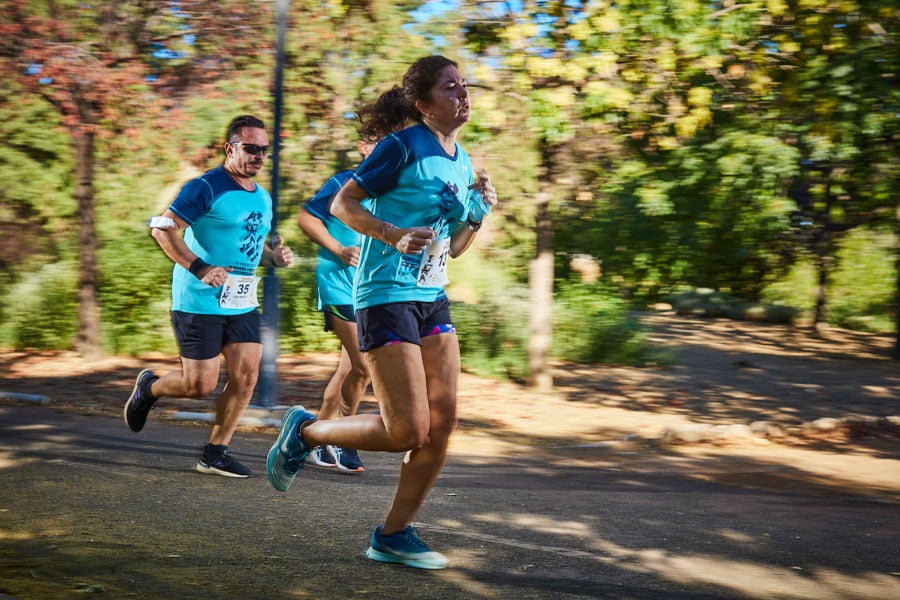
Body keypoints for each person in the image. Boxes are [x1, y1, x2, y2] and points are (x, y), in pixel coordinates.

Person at [267, 55, 497, 570]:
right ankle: (305, 431)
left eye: (464, 86)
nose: (463, 95)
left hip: (431, 295)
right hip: (383, 296)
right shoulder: (402, 145)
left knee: (443, 424)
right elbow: (342, 205)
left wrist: (478, 213)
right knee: (406, 431)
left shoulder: (460, 159)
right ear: (423, 104)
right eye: (450, 88)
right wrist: (391, 234)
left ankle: (392, 535)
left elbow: (455, 246)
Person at [124, 114, 294, 478]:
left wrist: (273, 257)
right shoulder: (205, 187)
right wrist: (200, 268)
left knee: (247, 375)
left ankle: (214, 452)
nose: (259, 156)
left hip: (241, 299)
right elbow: (163, 230)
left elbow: (248, 245)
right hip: (199, 298)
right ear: (229, 148)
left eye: (264, 150)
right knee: (199, 384)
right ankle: (150, 388)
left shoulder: (262, 197)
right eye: (251, 148)